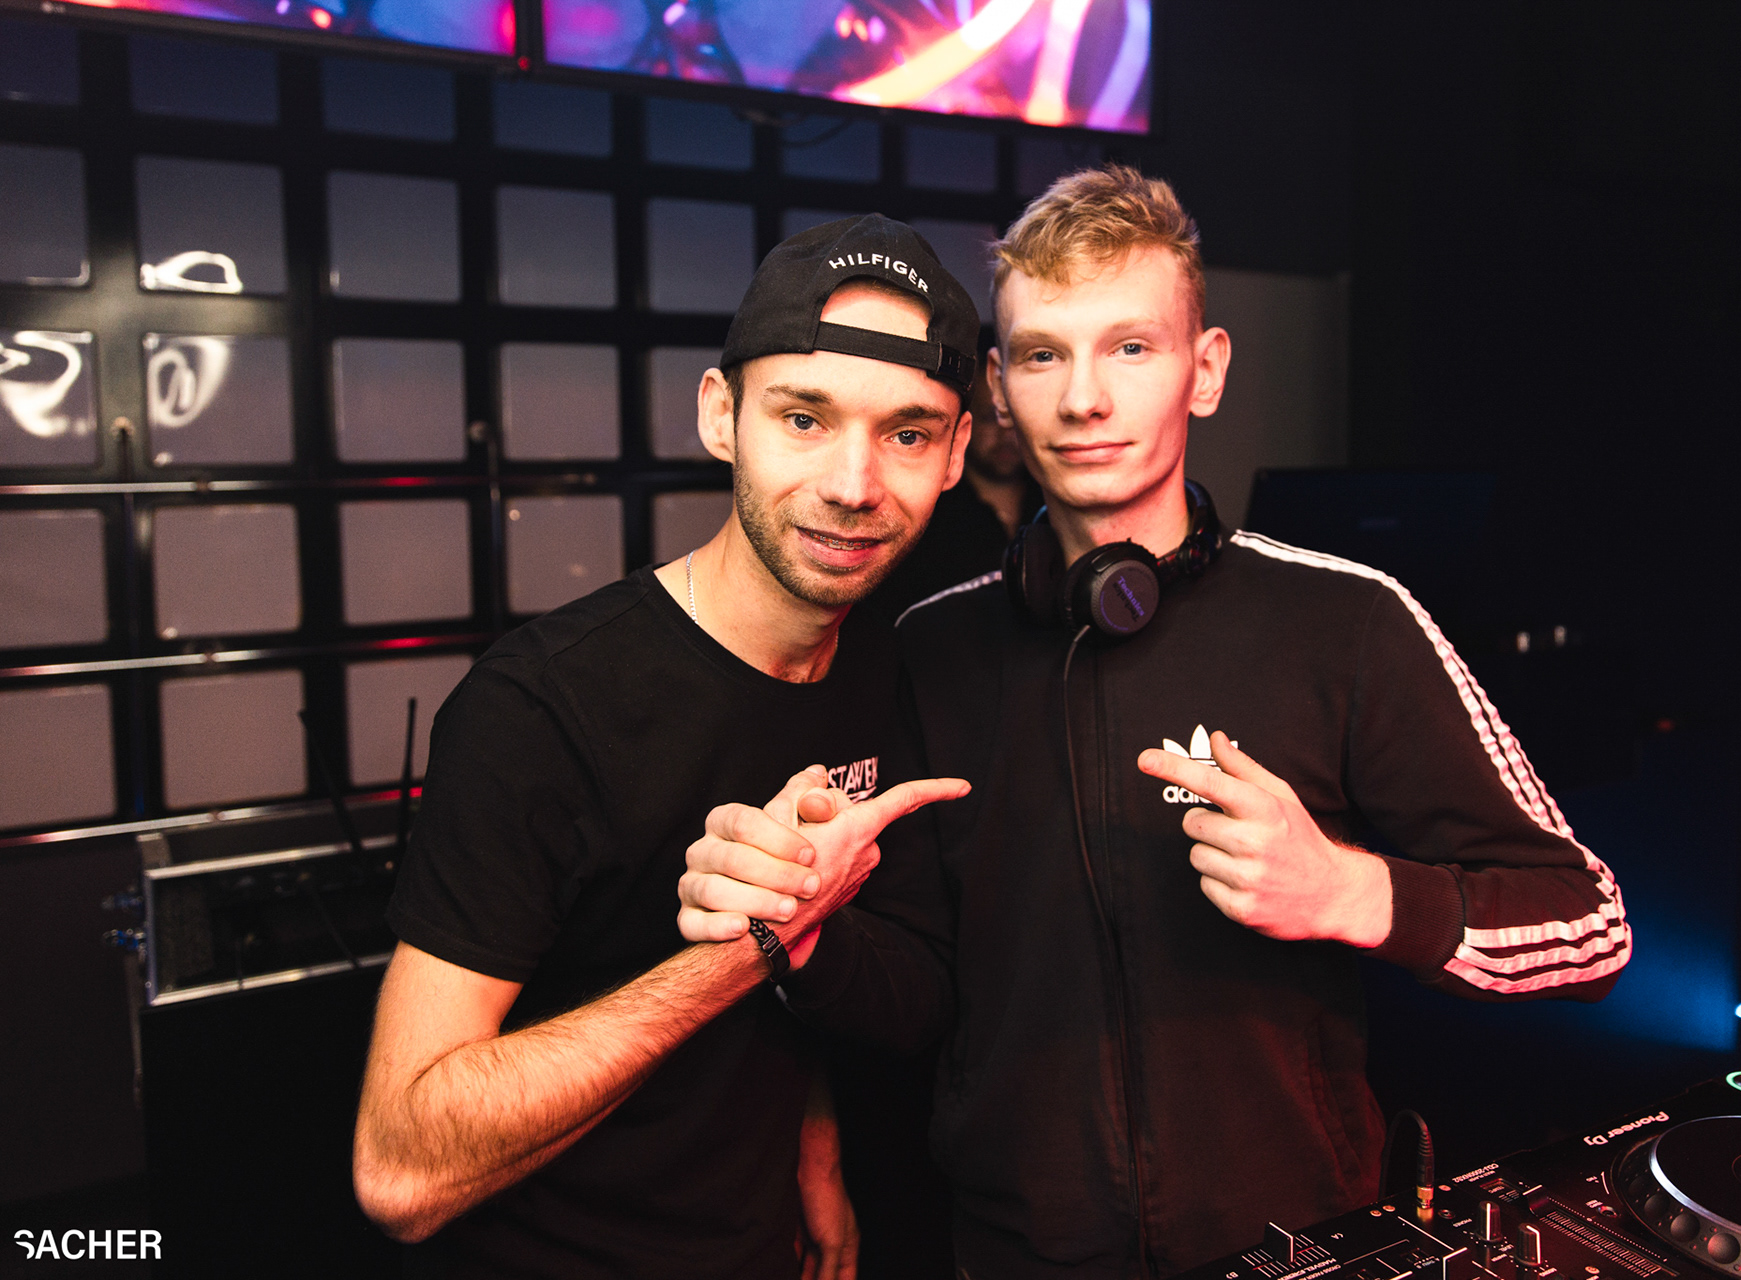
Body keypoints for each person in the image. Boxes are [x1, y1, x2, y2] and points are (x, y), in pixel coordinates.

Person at [676, 167, 1633, 1279]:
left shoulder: (1349, 620)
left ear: (1205, 369)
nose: (1084, 398)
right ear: (999, 390)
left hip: (1301, 1247)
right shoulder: (929, 651)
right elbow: (921, 988)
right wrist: (807, 934)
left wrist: (1349, 892)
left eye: (1130, 347)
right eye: (1043, 355)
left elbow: (1592, 924)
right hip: (1014, 1256)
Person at [351, 214, 982, 1279]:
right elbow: (401, 1170)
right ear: (721, 415)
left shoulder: (885, 670)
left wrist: (815, 1145)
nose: (854, 483)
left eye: (908, 434)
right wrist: (751, 943)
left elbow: (902, 989)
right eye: (804, 417)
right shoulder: (541, 709)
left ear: (958, 453)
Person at [861, 333, 1044, 625]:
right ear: (963, 427)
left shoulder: (1051, 504)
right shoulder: (928, 511)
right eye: (990, 418)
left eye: (1013, 418)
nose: (1005, 433)